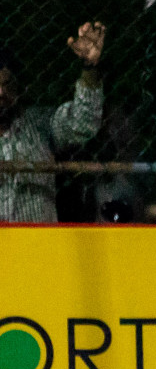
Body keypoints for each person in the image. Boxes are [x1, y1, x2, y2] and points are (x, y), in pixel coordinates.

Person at [0, 23, 107, 223]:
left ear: (19, 89)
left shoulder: (41, 124)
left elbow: (83, 123)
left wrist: (90, 66)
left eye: (7, 85)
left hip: (39, 246)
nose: (1, 93)